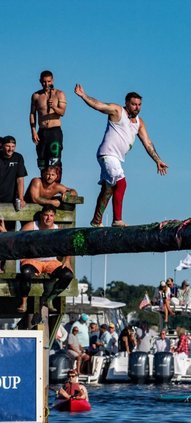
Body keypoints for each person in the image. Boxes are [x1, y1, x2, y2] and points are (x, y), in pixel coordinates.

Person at [74, 84, 168, 227]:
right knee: (122, 183)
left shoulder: (139, 123)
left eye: (139, 104)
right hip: (108, 154)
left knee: (108, 188)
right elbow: (99, 105)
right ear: (126, 103)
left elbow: (147, 143)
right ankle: (117, 220)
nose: (137, 107)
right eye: (134, 104)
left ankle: (96, 220)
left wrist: (157, 160)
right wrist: (84, 96)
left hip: (116, 158)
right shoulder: (118, 111)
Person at [0, 205, 73, 313]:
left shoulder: (58, 230)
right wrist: (5, 231)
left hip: (51, 262)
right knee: (26, 272)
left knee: (68, 275)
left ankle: (49, 299)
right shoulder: (32, 226)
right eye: (46, 215)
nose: (48, 218)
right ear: (41, 215)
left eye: (51, 216)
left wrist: (67, 261)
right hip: (33, 260)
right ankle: (24, 301)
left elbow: (69, 245)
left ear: (54, 217)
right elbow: (16, 239)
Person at [30, 70, 67, 174]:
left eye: (49, 81)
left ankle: (55, 185)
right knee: (41, 160)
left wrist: (54, 107)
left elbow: (62, 112)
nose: (46, 84)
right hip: (41, 131)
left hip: (54, 131)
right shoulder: (36, 96)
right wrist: (33, 130)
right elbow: (32, 113)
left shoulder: (59, 94)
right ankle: (43, 185)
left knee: (54, 160)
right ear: (40, 81)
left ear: (52, 80)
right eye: (44, 82)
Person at [0, 135, 27, 272]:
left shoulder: (18, 158)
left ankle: (4, 265)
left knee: (8, 234)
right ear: (2, 146)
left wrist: (21, 198)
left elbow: (20, 180)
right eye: (7, 146)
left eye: (13, 146)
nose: (10, 149)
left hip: (10, 202)